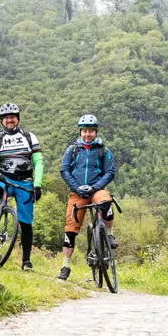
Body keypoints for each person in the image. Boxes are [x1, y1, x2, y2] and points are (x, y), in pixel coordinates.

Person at [0, 103, 43, 270]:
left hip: (25, 183)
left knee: (26, 223)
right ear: (2, 121)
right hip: (5, 179)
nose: (10, 120)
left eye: (12, 117)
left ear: (18, 119)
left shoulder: (29, 137)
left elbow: (38, 162)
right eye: (6, 118)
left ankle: (26, 261)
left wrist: (37, 185)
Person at [56, 114, 116, 280]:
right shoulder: (72, 150)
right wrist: (77, 187)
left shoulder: (103, 151)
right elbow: (64, 170)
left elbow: (110, 172)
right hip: (77, 192)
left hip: (96, 190)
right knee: (70, 230)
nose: (87, 134)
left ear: (95, 132)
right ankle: (65, 266)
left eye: (90, 131)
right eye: (84, 131)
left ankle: (109, 234)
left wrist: (94, 187)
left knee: (106, 202)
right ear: (80, 132)